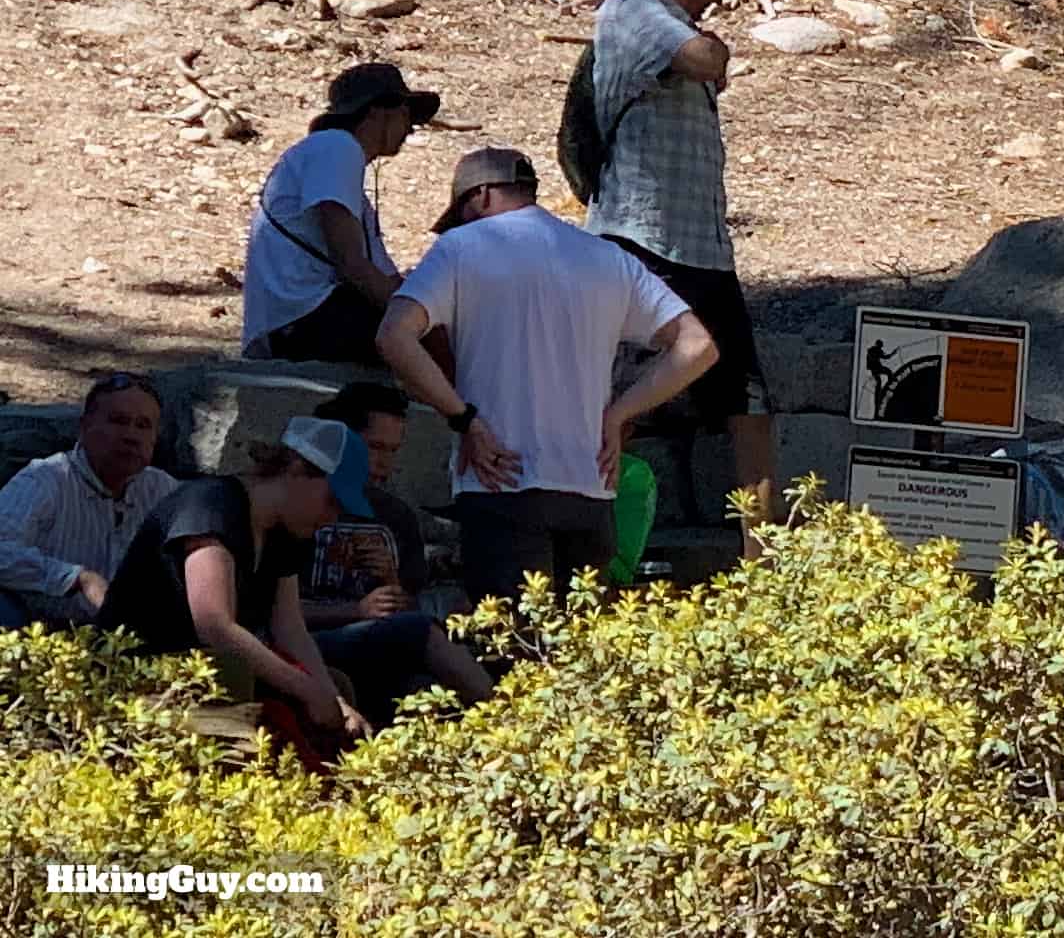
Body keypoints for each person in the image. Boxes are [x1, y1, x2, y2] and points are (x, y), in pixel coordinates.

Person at [376, 147, 717, 601]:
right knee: (579, 656)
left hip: (498, 482)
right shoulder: (607, 258)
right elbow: (698, 346)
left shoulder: (459, 249)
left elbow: (393, 336)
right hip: (591, 487)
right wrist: (617, 416)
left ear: (479, 195)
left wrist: (463, 418)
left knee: (510, 656)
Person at [585, 0, 776, 557]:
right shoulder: (632, 9)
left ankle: (764, 562)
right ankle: (596, 553)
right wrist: (715, 51)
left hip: (699, 247)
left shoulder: (662, 19)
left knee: (746, 400)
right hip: (642, 240)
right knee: (624, 403)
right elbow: (705, 57)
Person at [96, 417, 375, 741]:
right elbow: (215, 626)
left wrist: (333, 700)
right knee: (234, 675)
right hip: (139, 674)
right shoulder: (211, 506)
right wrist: (306, 690)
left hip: (202, 671)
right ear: (297, 469)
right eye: (332, 501)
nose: (331, 518)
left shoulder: (286, 534)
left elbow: (290, 628)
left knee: (336, 684)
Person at [280, 384, 492, 725]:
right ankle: (506, 717)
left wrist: (389, 579)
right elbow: (278, 614)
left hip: (380, 646)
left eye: (393, 450)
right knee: (420, 634)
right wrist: (356, 610)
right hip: (312, 643)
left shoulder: (395, 516)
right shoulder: (302, 505)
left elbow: (408, 605)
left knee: (424, 690)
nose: (384, 462)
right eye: (374, 447)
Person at [240, 62, 440, 366]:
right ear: (378, 111)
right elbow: (352, 265)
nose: (410, 128)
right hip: (308, 318)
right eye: (405, 114)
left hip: (297, 321)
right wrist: (419, 319)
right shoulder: (337, 146)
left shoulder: (331, 157)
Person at [0, 373, 178, 626]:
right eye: (118, 421)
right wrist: (76, 578)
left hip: (123, 637)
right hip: (39, 632)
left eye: (143, 425)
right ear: (84, 427)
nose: (131, 435)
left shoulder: (162, 489)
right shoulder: (45, 480)